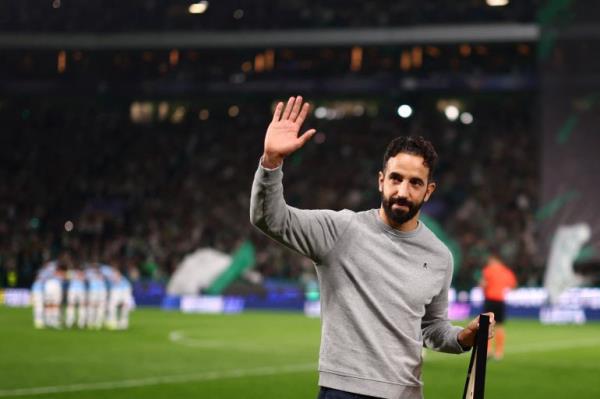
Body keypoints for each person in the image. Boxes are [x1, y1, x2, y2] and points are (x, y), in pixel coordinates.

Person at [250, 96, 495, 399]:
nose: (402, 191)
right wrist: (271, 162)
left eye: (415, 183)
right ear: (381, 181)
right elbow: (269, 218)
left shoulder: (440, 256)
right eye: (395, 179)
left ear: (428, 190)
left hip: (408, 393)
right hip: (344, 392)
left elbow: (431, 327)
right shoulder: (340, 230)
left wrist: (463, 337)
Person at [480, 251, 517, 360]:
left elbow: (483, 284)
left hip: (490, 300)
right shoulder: (506, 271)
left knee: (486, 326)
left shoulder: (488, 270)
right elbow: (513, 285)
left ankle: (488, 350)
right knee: (500, 326)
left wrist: (484, 288)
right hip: (500, 300)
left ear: (493, 259)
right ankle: (499, 352)